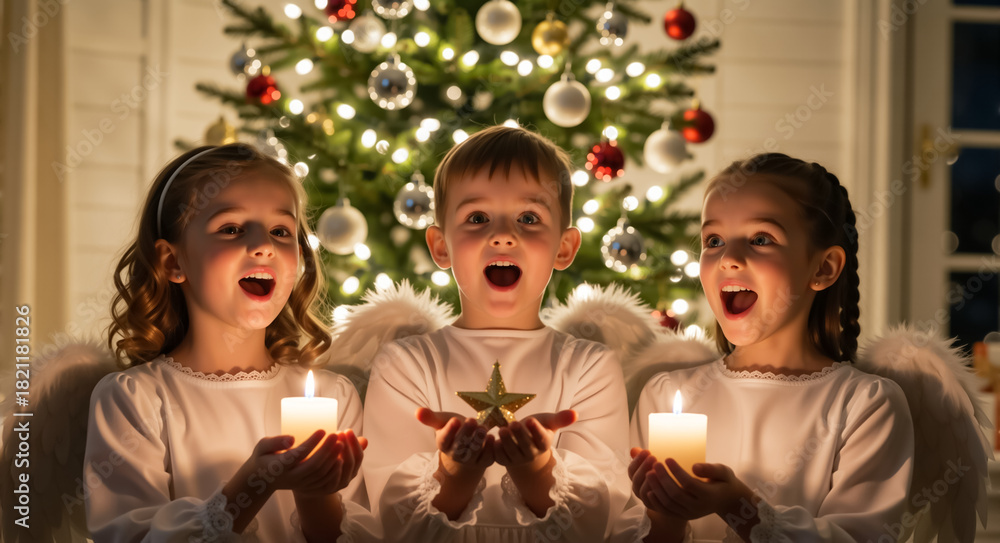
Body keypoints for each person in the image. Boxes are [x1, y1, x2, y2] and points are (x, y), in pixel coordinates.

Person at [85, 143, 376, 542]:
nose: (264, 246)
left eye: (280, 231)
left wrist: (314, 493)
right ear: (173, 262)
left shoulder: (335, 397)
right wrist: (253, 483)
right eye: (232, 229)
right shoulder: (134, 399)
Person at [624, 154, 914, 542]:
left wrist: (738, 506)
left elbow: (861, 536)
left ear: (823, 268)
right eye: (714, 240)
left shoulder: (865, 404)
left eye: (761, 239)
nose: (728, 258)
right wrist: (668, 516)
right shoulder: (663, 395)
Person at [363, 125, 632, 542]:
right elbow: (396, 526)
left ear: (564, 248)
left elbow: (596, 526)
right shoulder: (405, 364)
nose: (503, 234)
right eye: (477, 218)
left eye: (529, 218)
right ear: (441, 246)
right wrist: (454, 473)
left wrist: (537, 470)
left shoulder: (589, 368)